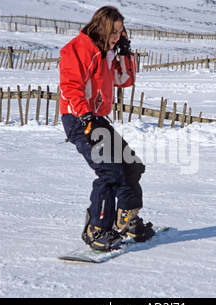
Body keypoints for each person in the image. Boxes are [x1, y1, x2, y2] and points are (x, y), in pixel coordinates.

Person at [59, 6, 154, 251]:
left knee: (131, 166)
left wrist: (125, 53)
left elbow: (125, 80)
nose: (116, 37)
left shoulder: (108, 52)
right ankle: (97, 229)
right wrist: (86, 116)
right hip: (79, 119)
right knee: (110, 171)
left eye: (120, 32)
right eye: (114, 32)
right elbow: (70, 87)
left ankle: (126, 221)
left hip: (97, 119)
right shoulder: (79, 48)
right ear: (101, 27)